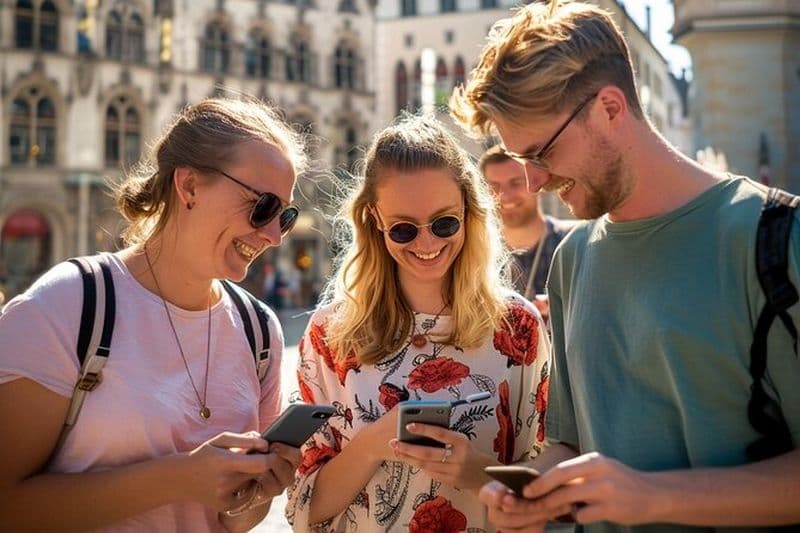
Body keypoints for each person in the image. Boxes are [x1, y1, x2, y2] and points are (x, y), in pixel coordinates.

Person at [451, 1, 800, 531]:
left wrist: (653, 497)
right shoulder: (571, 258)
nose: (533, 181)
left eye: (539, 153)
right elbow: (572, 443)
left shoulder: (775, 236)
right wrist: (529, 486)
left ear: (610, 109)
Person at [0, 98, 306, 531]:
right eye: (263, 207)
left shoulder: (259, 330)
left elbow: (231, 520)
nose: (274, 235)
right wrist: (179, 478)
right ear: (190, 187)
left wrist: (258, 489)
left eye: (286, 217)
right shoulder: (68, 305)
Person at [285, 115, 551, 531]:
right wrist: (375, 442)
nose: (427, 244)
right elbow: (303, 511)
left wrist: (477, 472)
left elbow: (545, 494)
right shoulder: (329, 334)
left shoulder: (518, 328)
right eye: (404, 229)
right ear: (374, 217)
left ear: (468, 208)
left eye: (445, 222)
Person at [480, 145, 575, 321]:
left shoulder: (573, 242)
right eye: (494, 185)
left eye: (516, 183)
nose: (504, 195)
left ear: (536, 183)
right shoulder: (476, 255)